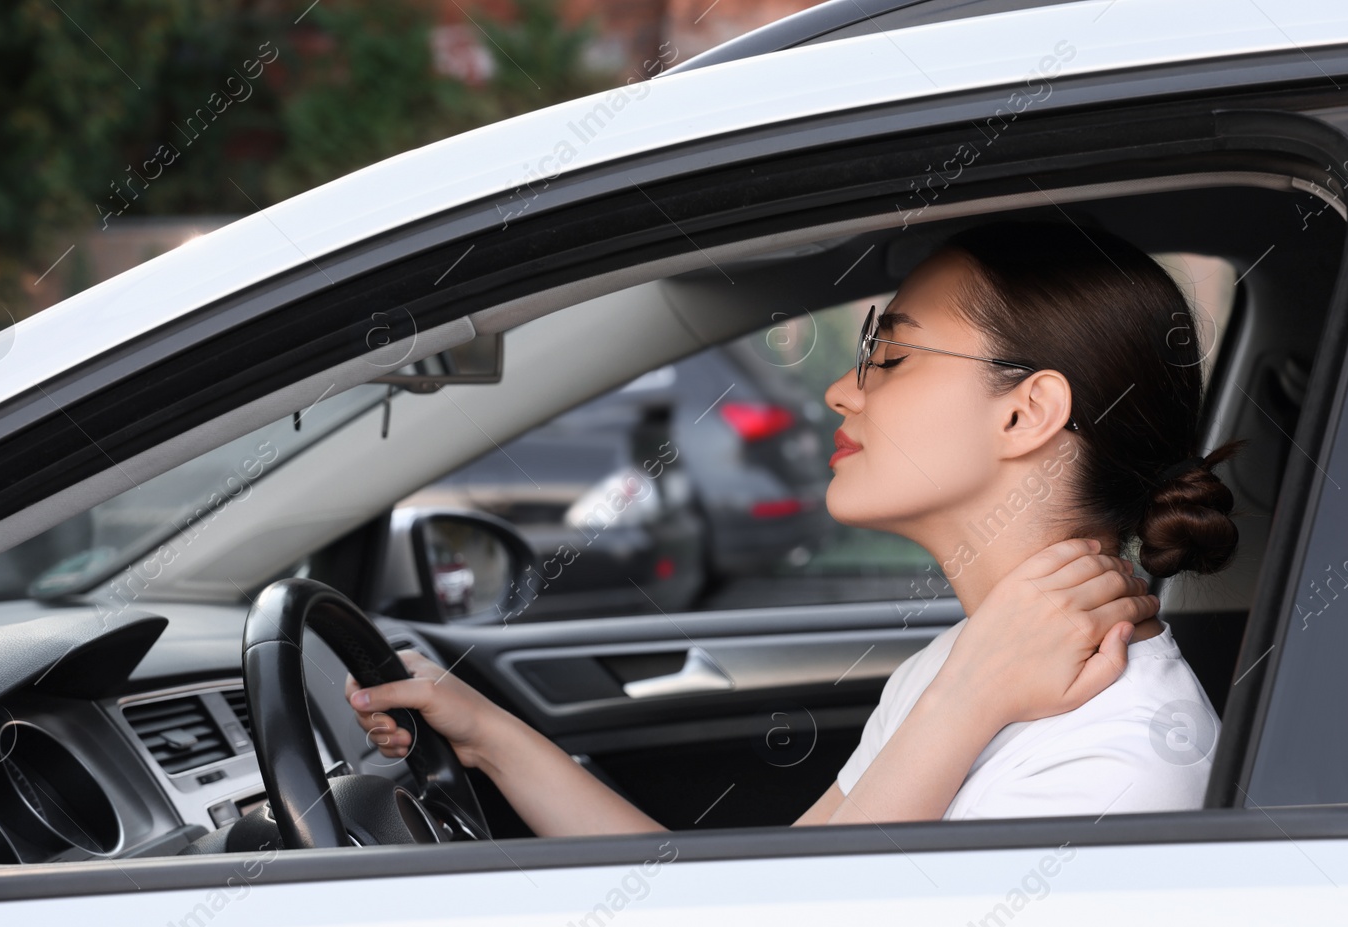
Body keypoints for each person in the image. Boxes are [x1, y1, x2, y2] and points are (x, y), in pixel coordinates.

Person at [347, 219, 1239, 833]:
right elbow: (740, 897)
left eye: (890, 356)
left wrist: (966, 702)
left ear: (1026, 413)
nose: (841, 391)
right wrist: (483, 733)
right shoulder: (972, 661)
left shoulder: (1115, 760)